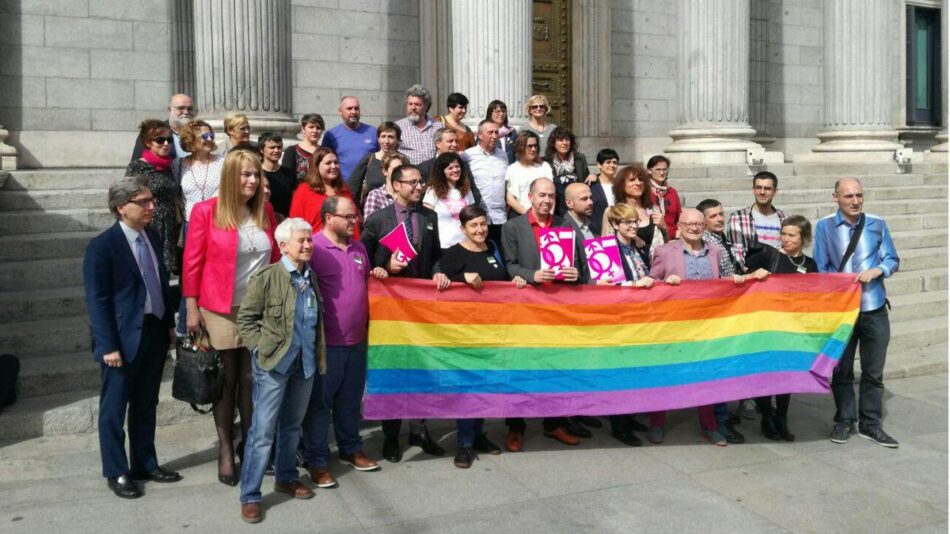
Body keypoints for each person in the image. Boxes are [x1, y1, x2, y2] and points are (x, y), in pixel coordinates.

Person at [182, 150, 280, 486]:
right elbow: (192, 263)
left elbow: (276, 257)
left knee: (253, 379)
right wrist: (191, 308)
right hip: (220, 307)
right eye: (245, 175)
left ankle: (250, 444)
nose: (253, 181)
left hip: (259, 310)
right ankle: (225, 448)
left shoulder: (265, 210)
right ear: (230, 178)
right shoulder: (205, 212)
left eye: (256, 175)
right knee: (226, 381)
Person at [83, 176, 182, 499]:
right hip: (121, 340)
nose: (152, 206)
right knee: (114, 409)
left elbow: (160, 283)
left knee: (146, 403)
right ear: (121, 207)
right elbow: (97, 300)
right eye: (144, 202)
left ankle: (145, 462)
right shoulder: (103, 247)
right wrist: (107, 344)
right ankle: (117, 470)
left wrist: (168, 322)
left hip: (153, 331)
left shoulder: (151, 235)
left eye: (151, 200)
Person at [236, 218, 326, 523]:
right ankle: (250, 494)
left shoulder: (311, 277)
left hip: (306, 364)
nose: (307, 245)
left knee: (291, 426)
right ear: (282, 245)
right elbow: (246, 320)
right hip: (274, 365)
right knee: (261, 432)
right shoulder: (267, 277)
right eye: (301, 241)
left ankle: (286, 477)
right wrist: (261, 351)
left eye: (309, 240)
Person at [361, 164, 450, 462]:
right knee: (395, 371)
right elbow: (365, 262)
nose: (418, 186)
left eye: (420, 182)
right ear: (395, 185)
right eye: (412, 182)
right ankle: (390, 436)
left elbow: (435, 256)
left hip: (423, 307)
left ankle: (420, 429)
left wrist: (438, 274)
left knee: (424, 370)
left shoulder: (429, 216)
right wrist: (385, 268)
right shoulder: (376, 220)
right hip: (392, 309)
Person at [501, 178, 587, 451]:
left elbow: (580, 265)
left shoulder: (565, 225)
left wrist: (575, 275)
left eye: (551, 195)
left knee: (555, 366)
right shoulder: (513, 226)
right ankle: (516, 427)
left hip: (558, 308)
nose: (547, 200)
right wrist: (532, 275)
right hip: (526, 307)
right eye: (542, 195)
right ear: (530, 196)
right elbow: (510, 267)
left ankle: (553, 423)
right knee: (520, 367)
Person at [814, 178, 900, 448]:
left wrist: (878, 270)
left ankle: (871, 423)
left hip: (874, 307)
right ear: (835, 197)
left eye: (859, 195)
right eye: (848, 196)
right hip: (843, 312)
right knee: (842, 371)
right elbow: (821, 266)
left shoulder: (877, 223)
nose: (855, 201)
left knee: (874, 372)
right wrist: (841, 282)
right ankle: (845, 420)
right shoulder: (825, 226)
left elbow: (892, 259)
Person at [304, 197, 383, 488]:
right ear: (328, 217)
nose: (355, 221)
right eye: (348, 217)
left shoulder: (359, 248)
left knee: (350, 401)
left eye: (356, 216)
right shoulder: (313, 248)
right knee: (321, 404)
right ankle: (317, 459)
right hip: (328, 344)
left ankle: (350, 448)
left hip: (358, 340)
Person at [440, 204, 524, 468]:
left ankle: (478, 436)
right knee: (468, 387)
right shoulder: (454, 253)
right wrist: (460, 277)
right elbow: (439, 276)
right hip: (465, 332)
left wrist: (517, 281)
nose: (480, 229)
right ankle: (464, 445)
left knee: (485, 386)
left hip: (494, 330)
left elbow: (501, 278)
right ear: (462, 228)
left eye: (482, 224)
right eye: (473, 225)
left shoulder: (492, 247)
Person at [647, 209, 736, 447]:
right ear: (679, 225)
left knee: (705, 377)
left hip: (706, 325)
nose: (695, 227)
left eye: (699, 223)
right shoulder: (665, 252)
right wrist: (664, 283)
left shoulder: (714, 251)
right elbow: (650, 284)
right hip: (674, 325)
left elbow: (723, 284)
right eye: (689, 223)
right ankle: (656, 423)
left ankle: (710, 426)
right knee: (666, 375)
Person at [738, 215, 819, 442]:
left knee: (786, 374)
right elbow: (741, 277)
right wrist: (754, 274)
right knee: (767, 372)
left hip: (792, 327)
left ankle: (782, 417)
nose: (785, 239)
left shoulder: (810, 264)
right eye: (783, 234)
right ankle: (767, 416)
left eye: (791, 235)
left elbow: (814, 295)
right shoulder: (768, 256)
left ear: (803, 238)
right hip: (766, 325)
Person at [171, 120, 225, 339]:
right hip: (191, 225)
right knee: (190, 278)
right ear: (190, 140)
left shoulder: (223, 162)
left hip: (217, 224)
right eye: (204, 136)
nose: (210, 139)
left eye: (211, 135)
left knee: (212, 275)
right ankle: (185, 331)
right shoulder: (178, 165)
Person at [126, 119, 181, 274]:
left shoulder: (169, 165)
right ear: (148, 143)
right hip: (150, 226)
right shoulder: (137, 167)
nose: (166, 143)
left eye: (169, 139)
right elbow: (127, 199)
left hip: (170, 226)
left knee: (166, 272)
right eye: (160, 140)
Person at [601, 165, 665, 267]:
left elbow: (665, 243)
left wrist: (663, 227)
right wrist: (635, 238)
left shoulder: (654, 209)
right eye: (632, 180)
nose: (638, 183)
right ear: (622, 185)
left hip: (654, 268)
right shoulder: (611, 211)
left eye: (641, 179)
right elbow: (606, 246)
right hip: (625, 270)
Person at [289, 147, 360, 237]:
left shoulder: (344, 190)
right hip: (316, 247)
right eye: (328, 163)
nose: (333, 166)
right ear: (317, 166)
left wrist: (356, 246)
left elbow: (354, 224)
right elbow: (295, 223)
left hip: (344, 247)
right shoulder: (304, 191)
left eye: (336, 162)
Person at [462, 119, 509, 247]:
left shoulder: (503, 155)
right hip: (479, 217)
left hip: (501, 216)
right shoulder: (468, 155)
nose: (494, 136)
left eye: (496, 132)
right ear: (480, 135)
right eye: (490, 132)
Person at [727, 171, 787, 266]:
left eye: (767, 188)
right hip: (752, 275)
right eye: (758, 187)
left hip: (778, 273)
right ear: (753, 190)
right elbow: (736, 253)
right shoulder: (738, 218)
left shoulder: (782, 217)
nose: (762, 192)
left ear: (775, 192)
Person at [423, 152, 476, 249]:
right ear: (442, 171)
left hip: (465, 244)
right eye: (450, 168)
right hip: (443, 245)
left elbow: (472, 216)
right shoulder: (432, 191)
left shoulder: (466, 189)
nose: (455, 170)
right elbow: (427, 220)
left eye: (457, 166)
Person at [322, 96, 379, 183]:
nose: (353, 112)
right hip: (341, 187)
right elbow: (323, 162)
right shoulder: (331, 135)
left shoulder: (373, 132)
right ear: (340, 112)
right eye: (349, 109)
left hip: (367, 188)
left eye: (356, 108)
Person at [543, 127, 595, 216]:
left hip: (577, 207)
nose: (564, 143)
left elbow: (586, 179)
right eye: (560, 140)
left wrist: (593, 176)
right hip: (557, 208)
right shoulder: (547, 161)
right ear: (553, 143)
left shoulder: (579, 158)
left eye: (567, 139)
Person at [348, 121, 402, 205]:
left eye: (391, 137)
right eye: (383, 136)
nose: (386, 141)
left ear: (398, 140)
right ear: (378, 139)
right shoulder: (369, 159)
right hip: (371, 208)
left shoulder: (403, 161)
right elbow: (352, 187)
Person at [130, 93, 194, 160]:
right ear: (169, 110)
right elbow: (136, 163)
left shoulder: (199, 132)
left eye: (190, 109)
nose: (186, 112)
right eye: (181, 108)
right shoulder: (153, 132)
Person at [505, 130, 553, 216]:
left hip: (544, 217)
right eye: (529, 146)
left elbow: (552, 195)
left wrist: (549, 216)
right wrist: (529, 216)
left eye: (535, 146)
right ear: (521, 147)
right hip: (520, 216)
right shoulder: (512, 169)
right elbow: (510, 199)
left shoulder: (544, 167)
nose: (533, 149)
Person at [697, 199, 743, 277]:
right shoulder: (704, 243)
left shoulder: (721, 237)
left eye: (721, 214)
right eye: (713, 216)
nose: (720, 219)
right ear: (702, 221)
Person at [258, 132, 297, 218]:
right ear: (261, 150)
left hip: (285, 222)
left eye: (279, 147)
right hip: (263, 219)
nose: (276, 150)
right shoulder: (256, 173)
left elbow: (295, 201)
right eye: (272, 147)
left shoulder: (289, 174)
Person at [396, 84, 438, 164]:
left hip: (433, 174)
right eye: (410, 104)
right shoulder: (397, 127)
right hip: (408, 174)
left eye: (417, 104)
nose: (413, 108)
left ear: (426, 106)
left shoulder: (438, 126)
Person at [364, 152, 410, 220]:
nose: (398, 173)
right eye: (394, 169)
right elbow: (369, 225)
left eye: (400, 169)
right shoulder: (375, 196)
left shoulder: (407, 195)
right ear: (385, 171)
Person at [645, 155, 682, 240]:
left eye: (664, 169)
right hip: (651, 239)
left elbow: (679, 216)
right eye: (658, 169)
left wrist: (678, 233)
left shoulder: (672, 192)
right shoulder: (644, 192)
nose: (662, 173)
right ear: (649, 171)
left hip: (672, 238)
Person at [281, 113, 325, 183]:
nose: (315, 131)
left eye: (318, 128)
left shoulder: (326, 152)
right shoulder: (292, 151)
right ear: (303, 129)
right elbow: (287, 179)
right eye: (311, 127)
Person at [590, 148, 619, 237]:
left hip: (619, 233)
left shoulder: (620, 184)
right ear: (599, 165)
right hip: (597, 233)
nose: (612, 165)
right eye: (608, 162)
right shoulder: (591, 185)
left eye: (615, 162)